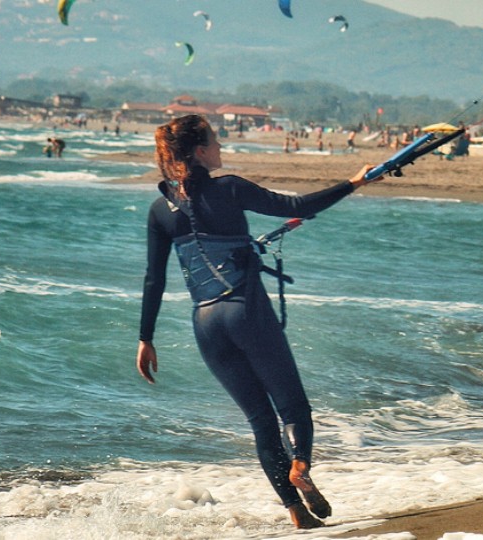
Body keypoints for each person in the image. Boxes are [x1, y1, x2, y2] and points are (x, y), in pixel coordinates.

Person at [137, 114, 377, 530]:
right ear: (199, 152)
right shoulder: (229, 188)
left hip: (206, 323)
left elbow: (154, 278)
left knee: (260, 422)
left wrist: (145, 338)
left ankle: (296, 513)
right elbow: (299, 206)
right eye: (215, 139)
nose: (220, 145)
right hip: (246, 310)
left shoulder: (161, 209)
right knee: (292, 407)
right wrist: (353, 183)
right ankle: (300, 466)